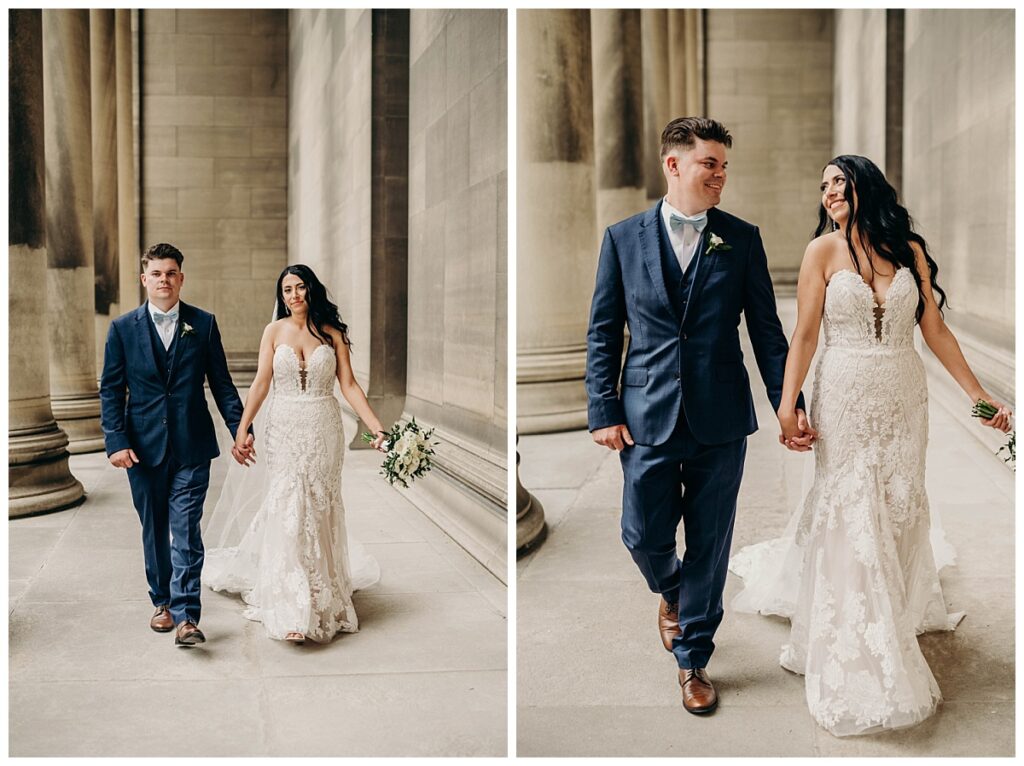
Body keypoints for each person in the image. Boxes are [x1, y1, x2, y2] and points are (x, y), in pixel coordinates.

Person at [730, 155, 1012, 736]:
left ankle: (897, 609)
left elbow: (933, 330)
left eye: (839, 180)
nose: (829, 191)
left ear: (866, 186)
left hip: (904, 396)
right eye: (824, 185)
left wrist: (981, 399)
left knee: (901, 501)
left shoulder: (908, 250)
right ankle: (859, 629)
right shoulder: (822, 253)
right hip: (845, 395)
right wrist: (788, 405)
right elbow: (805, 332)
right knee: (853, 504)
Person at [584, 117, 815, 715]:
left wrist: (789, 406)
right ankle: (672, 592)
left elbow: (767, 332)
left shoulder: (740, 238)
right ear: (673, 165)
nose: (720, 175)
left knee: (710, 542)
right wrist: (602, 409)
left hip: (720, 417)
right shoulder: (622, 239)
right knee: (641, 532)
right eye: (709, 164)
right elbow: (605, 332)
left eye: (724, 166)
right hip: (644, 415)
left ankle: (693, 658)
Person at [202, 264, 386, 644]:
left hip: (323, 426)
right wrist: (242, 428)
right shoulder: (273, 331)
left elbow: (349, 385)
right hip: (284, 427)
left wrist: (375, 425)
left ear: (311, 290)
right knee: (289, 503)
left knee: (319, 505)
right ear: (281, 296)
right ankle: (289, 604)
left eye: (300, 287)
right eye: (287, 290)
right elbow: (260, 383)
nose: (294, 295)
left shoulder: (333, 334)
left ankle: (323, 595)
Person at [99, 242, 254, 647]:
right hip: (140, 448)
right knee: (154, 529)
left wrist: (241, 430)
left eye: (171, 273)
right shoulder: (121, 329)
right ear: (144, 279)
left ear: (181, 278)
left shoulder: (202, 324)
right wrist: (116, 441)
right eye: (156, 273)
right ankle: (162, 603)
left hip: (192, 445)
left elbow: (222, 384)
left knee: (186, 531)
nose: (164, 280)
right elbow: (112, 391)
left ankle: (187, 616)